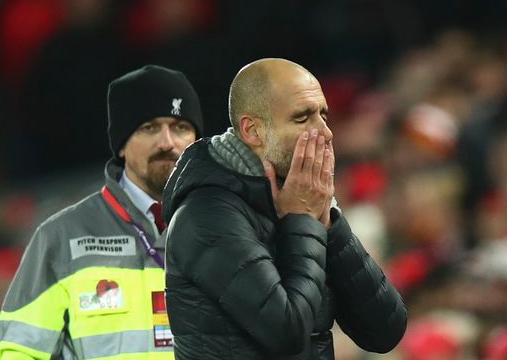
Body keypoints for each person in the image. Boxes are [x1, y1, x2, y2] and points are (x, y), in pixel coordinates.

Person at [162, 58, 407, 359]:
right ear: (252, 131)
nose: (326, 133)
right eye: (303, 118)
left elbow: (385, 330)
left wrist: (328, 221)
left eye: (324, 115)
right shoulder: (206, 215)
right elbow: (288, 332)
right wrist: (303, 220)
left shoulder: (304, 199)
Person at [0, 65, 203, 359]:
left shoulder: (232, 230)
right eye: (149, 127)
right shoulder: (63, 237)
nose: (167, 142)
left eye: (180, 127)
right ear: (121, 145)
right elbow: (18, 351)